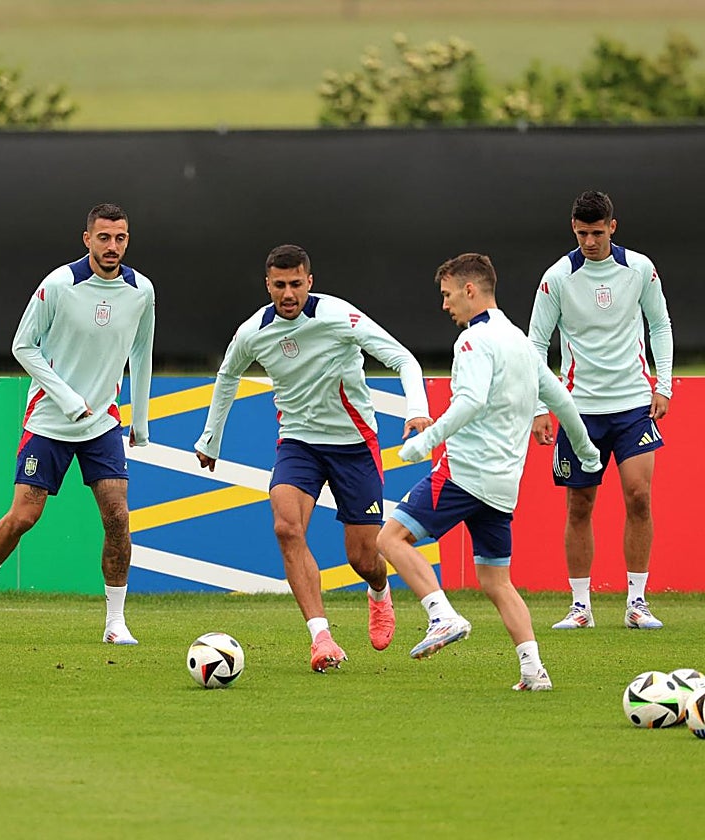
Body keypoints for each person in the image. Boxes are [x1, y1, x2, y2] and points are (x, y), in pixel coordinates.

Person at [194, 244, 431, 673]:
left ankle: (379, 590)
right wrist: (211, 438)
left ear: (310, 282)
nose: (288, 293)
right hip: (298, 444)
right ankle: (320, 637)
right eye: (279, 285)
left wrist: (416, 408)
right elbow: (227, 374)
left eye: (296, 284)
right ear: (268, 285)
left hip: (354, 446)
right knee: (286, 526)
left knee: (363, 558)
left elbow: (402, 357)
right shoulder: (253, 331)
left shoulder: (339, 316)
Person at [378, 253, 602, 690]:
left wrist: (425, 442)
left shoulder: (472, 341)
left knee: (390, 538)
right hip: (503, 486)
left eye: (447, 295)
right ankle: (533, 670)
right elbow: (560, 398)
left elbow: (471, 401)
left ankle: (441, 615)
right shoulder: (520, 340)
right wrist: (587, 451)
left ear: (469, 290)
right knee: (497, 580)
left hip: (464, 473)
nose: (445, 306)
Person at [0, 203, 155, 645]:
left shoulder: (142, 291)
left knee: (118, 517)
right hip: (49, 419)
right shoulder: (59, 285)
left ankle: (115, 621)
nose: (112, 246)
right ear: (87, 239)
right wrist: (66, 398)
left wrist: (140, 419)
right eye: (103, 237)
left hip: (102, 422)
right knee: (25, 516)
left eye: (120, 238)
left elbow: (141, 353)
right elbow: (23, 347)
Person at [528, 190, 673, 631]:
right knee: (580, 505)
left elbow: (661, 324)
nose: (589, 241)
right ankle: (580, 606)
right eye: (581, 233)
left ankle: (637, 602)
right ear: (573, 230)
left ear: (613, 226)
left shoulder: (640, 270)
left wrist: (663, 385)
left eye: (596, 232)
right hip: (579, 411)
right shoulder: (557, 277)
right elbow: (536, 343)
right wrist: (539, 406)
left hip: (632, 404)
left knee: (639, 497)